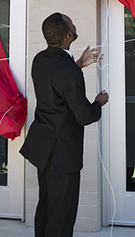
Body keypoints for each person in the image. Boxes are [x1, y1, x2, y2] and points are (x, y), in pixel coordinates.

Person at [20, 13, 107, 237]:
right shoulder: (67, 71)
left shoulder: (40, 59)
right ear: (69, 34)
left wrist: (79, 63)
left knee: (47, 207)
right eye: (72, 23)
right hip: (62, 154)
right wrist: (99, 102)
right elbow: (85, 116)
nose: (75, 24)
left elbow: (57, 83)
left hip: (44, 149)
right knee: (62, 215)